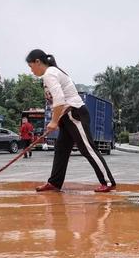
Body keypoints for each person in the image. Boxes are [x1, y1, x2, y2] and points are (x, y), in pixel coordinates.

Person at [26, 49, 116, 193]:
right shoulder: (50, 74)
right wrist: (57, 120)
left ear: (38, 62)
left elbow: (60, 99)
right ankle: (54, 183)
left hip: (74, 114)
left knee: (87, 148)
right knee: (61, 150)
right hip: (66, 117)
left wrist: (54, 121)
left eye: (31, 67)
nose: (31, 71)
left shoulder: (50, 74)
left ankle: (108, 182)